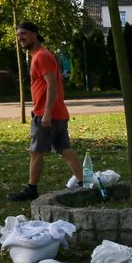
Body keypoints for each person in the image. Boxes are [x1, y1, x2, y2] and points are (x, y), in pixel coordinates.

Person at [8, 21, 83, 201]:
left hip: (46, 115)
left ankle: (31, 189)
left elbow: (53, 86)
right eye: (18, 35)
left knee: (36, 152)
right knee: (64, 149)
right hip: (57, 114)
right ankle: (84, 183)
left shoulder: (41, 56)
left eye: (24, 34)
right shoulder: (40, 56)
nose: (21, 38)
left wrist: (47, 114)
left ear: (35, 34)